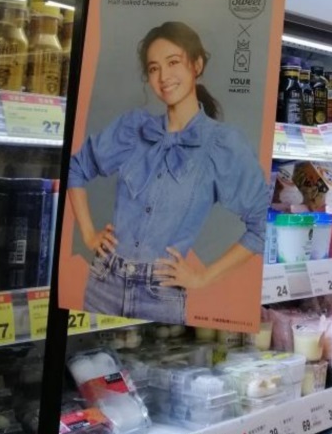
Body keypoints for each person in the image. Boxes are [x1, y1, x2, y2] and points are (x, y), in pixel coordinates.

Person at [67, 21, 268, 324]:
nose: (163, 77)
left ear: (196, 65)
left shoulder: (222, 144)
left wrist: (203, 278)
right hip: (103, 283)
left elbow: (261, 223)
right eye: (153, 68)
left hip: (160, 296)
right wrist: (87, 234)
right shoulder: (133, 128)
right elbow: (77, 167)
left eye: (173, 62)